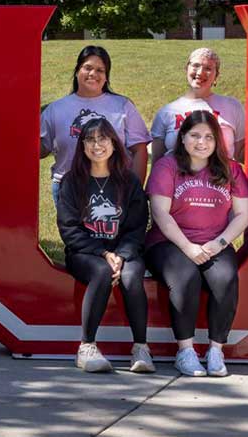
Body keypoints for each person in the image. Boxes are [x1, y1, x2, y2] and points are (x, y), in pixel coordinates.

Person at [145, 110, 248, 377]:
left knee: (226, 277)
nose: (201, 142)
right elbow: (160, 213)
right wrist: (188, 247)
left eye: (208, 137)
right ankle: (186, 351)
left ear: (217, 141)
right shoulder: (166, 167)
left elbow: (243, 214)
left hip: (215, 242)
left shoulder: (230, 169)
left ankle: (216, 350)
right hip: (168, 242)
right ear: (182, 138)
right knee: (185, 277)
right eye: (194, 135)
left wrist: (220, 243)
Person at [55, 118, 153, 373]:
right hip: (85, 253)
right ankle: (86, 347)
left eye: (103, 139)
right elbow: (69, 230)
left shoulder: (129, 182)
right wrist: (104, 253)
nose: (97, 145)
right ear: (82, 146)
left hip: (125, 253)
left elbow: (137, 227)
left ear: (114, 143)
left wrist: (121, 255)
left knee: (132, 276)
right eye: (90, 139)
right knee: (101, 271)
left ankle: (141, 348)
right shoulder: (71, 182)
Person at [41, 45, 152, 198]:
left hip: (115, 187)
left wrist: (135, 190)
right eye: (87, 67)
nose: (93, 73)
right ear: (77, 71)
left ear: (106, 77)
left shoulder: (123, 105)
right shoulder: (55, 109)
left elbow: (139, 150)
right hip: (69, 189)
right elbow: (41, 149)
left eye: (100, 70)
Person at [148, 48, 244, 164]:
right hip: (177, 180)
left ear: (216, 75)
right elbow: (157, 164)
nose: (200, 72)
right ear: (186, 69)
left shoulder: (232, 106)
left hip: (220, 179)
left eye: (208, 68)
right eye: (195, 66)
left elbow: (242, 155)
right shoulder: (166, 112)